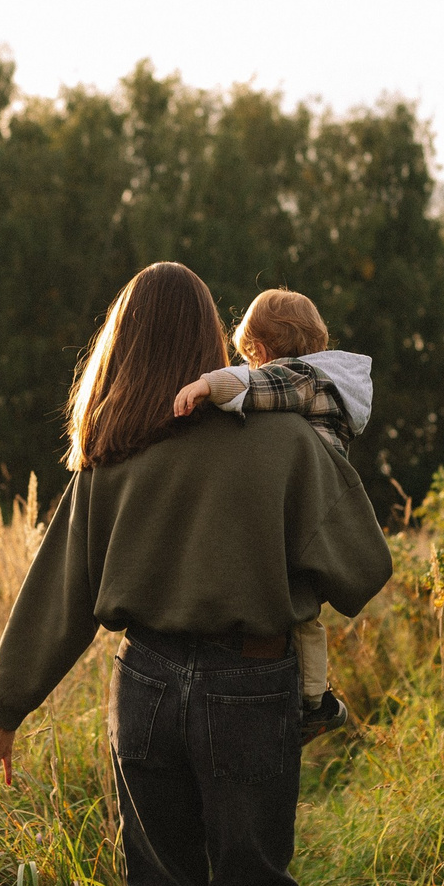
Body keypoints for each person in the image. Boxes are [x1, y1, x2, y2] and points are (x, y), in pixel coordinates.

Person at [0, 262, 393, 886]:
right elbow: (362, 570)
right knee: (254, 881)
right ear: (214, 338)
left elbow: (62, 592)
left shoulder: (113, 452)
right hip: (252, 682)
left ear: (124, 345)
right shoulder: (289, 441)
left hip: (143, 687)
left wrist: (5, 708)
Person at [169, 287, 371, 737]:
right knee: (304, 615)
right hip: (309, 513)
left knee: (297, 612)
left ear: (258, 350)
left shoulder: (302, 380)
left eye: (249, 357)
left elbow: (258, 385)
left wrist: (207, 384)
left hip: (299, 512)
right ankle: (314, 701)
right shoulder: (325, 381)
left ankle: (312, 701)